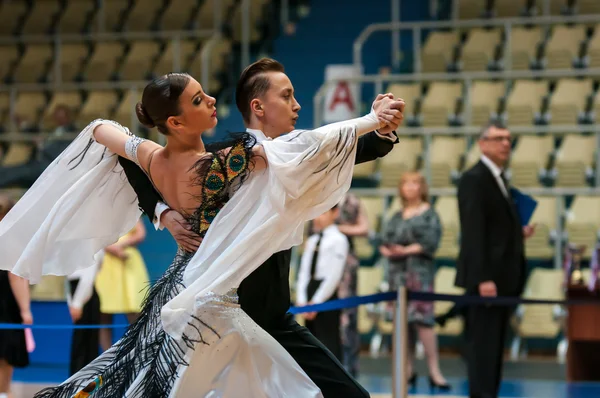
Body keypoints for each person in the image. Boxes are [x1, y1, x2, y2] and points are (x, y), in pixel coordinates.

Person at [0, 71, 404, 397]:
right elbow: (307, 146)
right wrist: (370, 119)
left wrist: (162, 212)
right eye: (198, 99)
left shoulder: (152, 156)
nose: (211, 100)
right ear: (175, 121)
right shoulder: (217, 166)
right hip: (219, 301)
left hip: (184, 285)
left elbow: (103, 133)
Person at [116, 58, 403, 397]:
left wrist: (383, 127)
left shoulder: (299, 153)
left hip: (272, 316)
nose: (296, 105)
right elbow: (130, 157)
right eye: (286, 96)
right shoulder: (220, 157)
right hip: (225, 316)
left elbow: (345, 147)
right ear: (258, 106)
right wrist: (165, 214)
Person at [455, 122, 535, 398]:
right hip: (487, 281)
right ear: (482, 143)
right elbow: (473, 232)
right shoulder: (474, 178)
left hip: (504, 279)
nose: (505, 144)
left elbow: (494, 229)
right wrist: (483, 278)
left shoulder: (499, 178)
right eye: (499, 138)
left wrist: (517, 231)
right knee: (483, 350)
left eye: (509, 139)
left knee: (494, 350)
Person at [379, 171, 449, 391]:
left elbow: (431, 241)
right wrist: (388, 250)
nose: (409, 187)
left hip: (419, 274)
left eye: (414, 183)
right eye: (405, 183)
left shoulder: (430, 214)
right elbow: (384, 240)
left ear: (421, 187)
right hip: (397, 275)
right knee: (402, 323)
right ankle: (407, 369)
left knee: (423, 322)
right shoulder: (397, 215)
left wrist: (407, 250)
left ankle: (434, 370)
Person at [296, 204, 348, 360]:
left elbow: (334, 275)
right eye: (317, 213)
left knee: (328, 339)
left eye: (324, 213)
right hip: (310, 291)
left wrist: (317, 301)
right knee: (311, 340)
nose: (319, 217)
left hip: (326, 294)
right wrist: (302, 299)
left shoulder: (339, 240)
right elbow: (304, 271)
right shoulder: (312, 240)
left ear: (335, 213)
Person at [94, 220, 149, 351]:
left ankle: (138, 350)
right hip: (107, 263)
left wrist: (121, 244)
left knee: (134, 308)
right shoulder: (100, 215)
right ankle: (106, 356)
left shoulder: (132, 210)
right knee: (104, 312)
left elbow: (140, 233)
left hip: (128, 259)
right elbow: (95, 238)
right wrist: (111, 248)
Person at [0, 196, 32, 398]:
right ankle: (3, 391)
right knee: (5, 349)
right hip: (5, 302)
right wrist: (25, 310)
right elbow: (16, 277)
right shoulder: (11, 238)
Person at [335, 193, 368, 377]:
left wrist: (337, 229)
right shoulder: (319, 191)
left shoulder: (351, 200)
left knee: (347, 316)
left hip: (345, 263)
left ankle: (348, 365)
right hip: (324, 258)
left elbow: (365, 227)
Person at [67, 258, 101, 376]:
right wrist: (71, 302)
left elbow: (88, 278)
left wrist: (77, 303)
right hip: (77, 293)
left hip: (86, 296)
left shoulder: (92, 245)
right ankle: (76, 377)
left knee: (86, 342)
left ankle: (86, 378)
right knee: (79, 341)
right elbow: (68, 279)